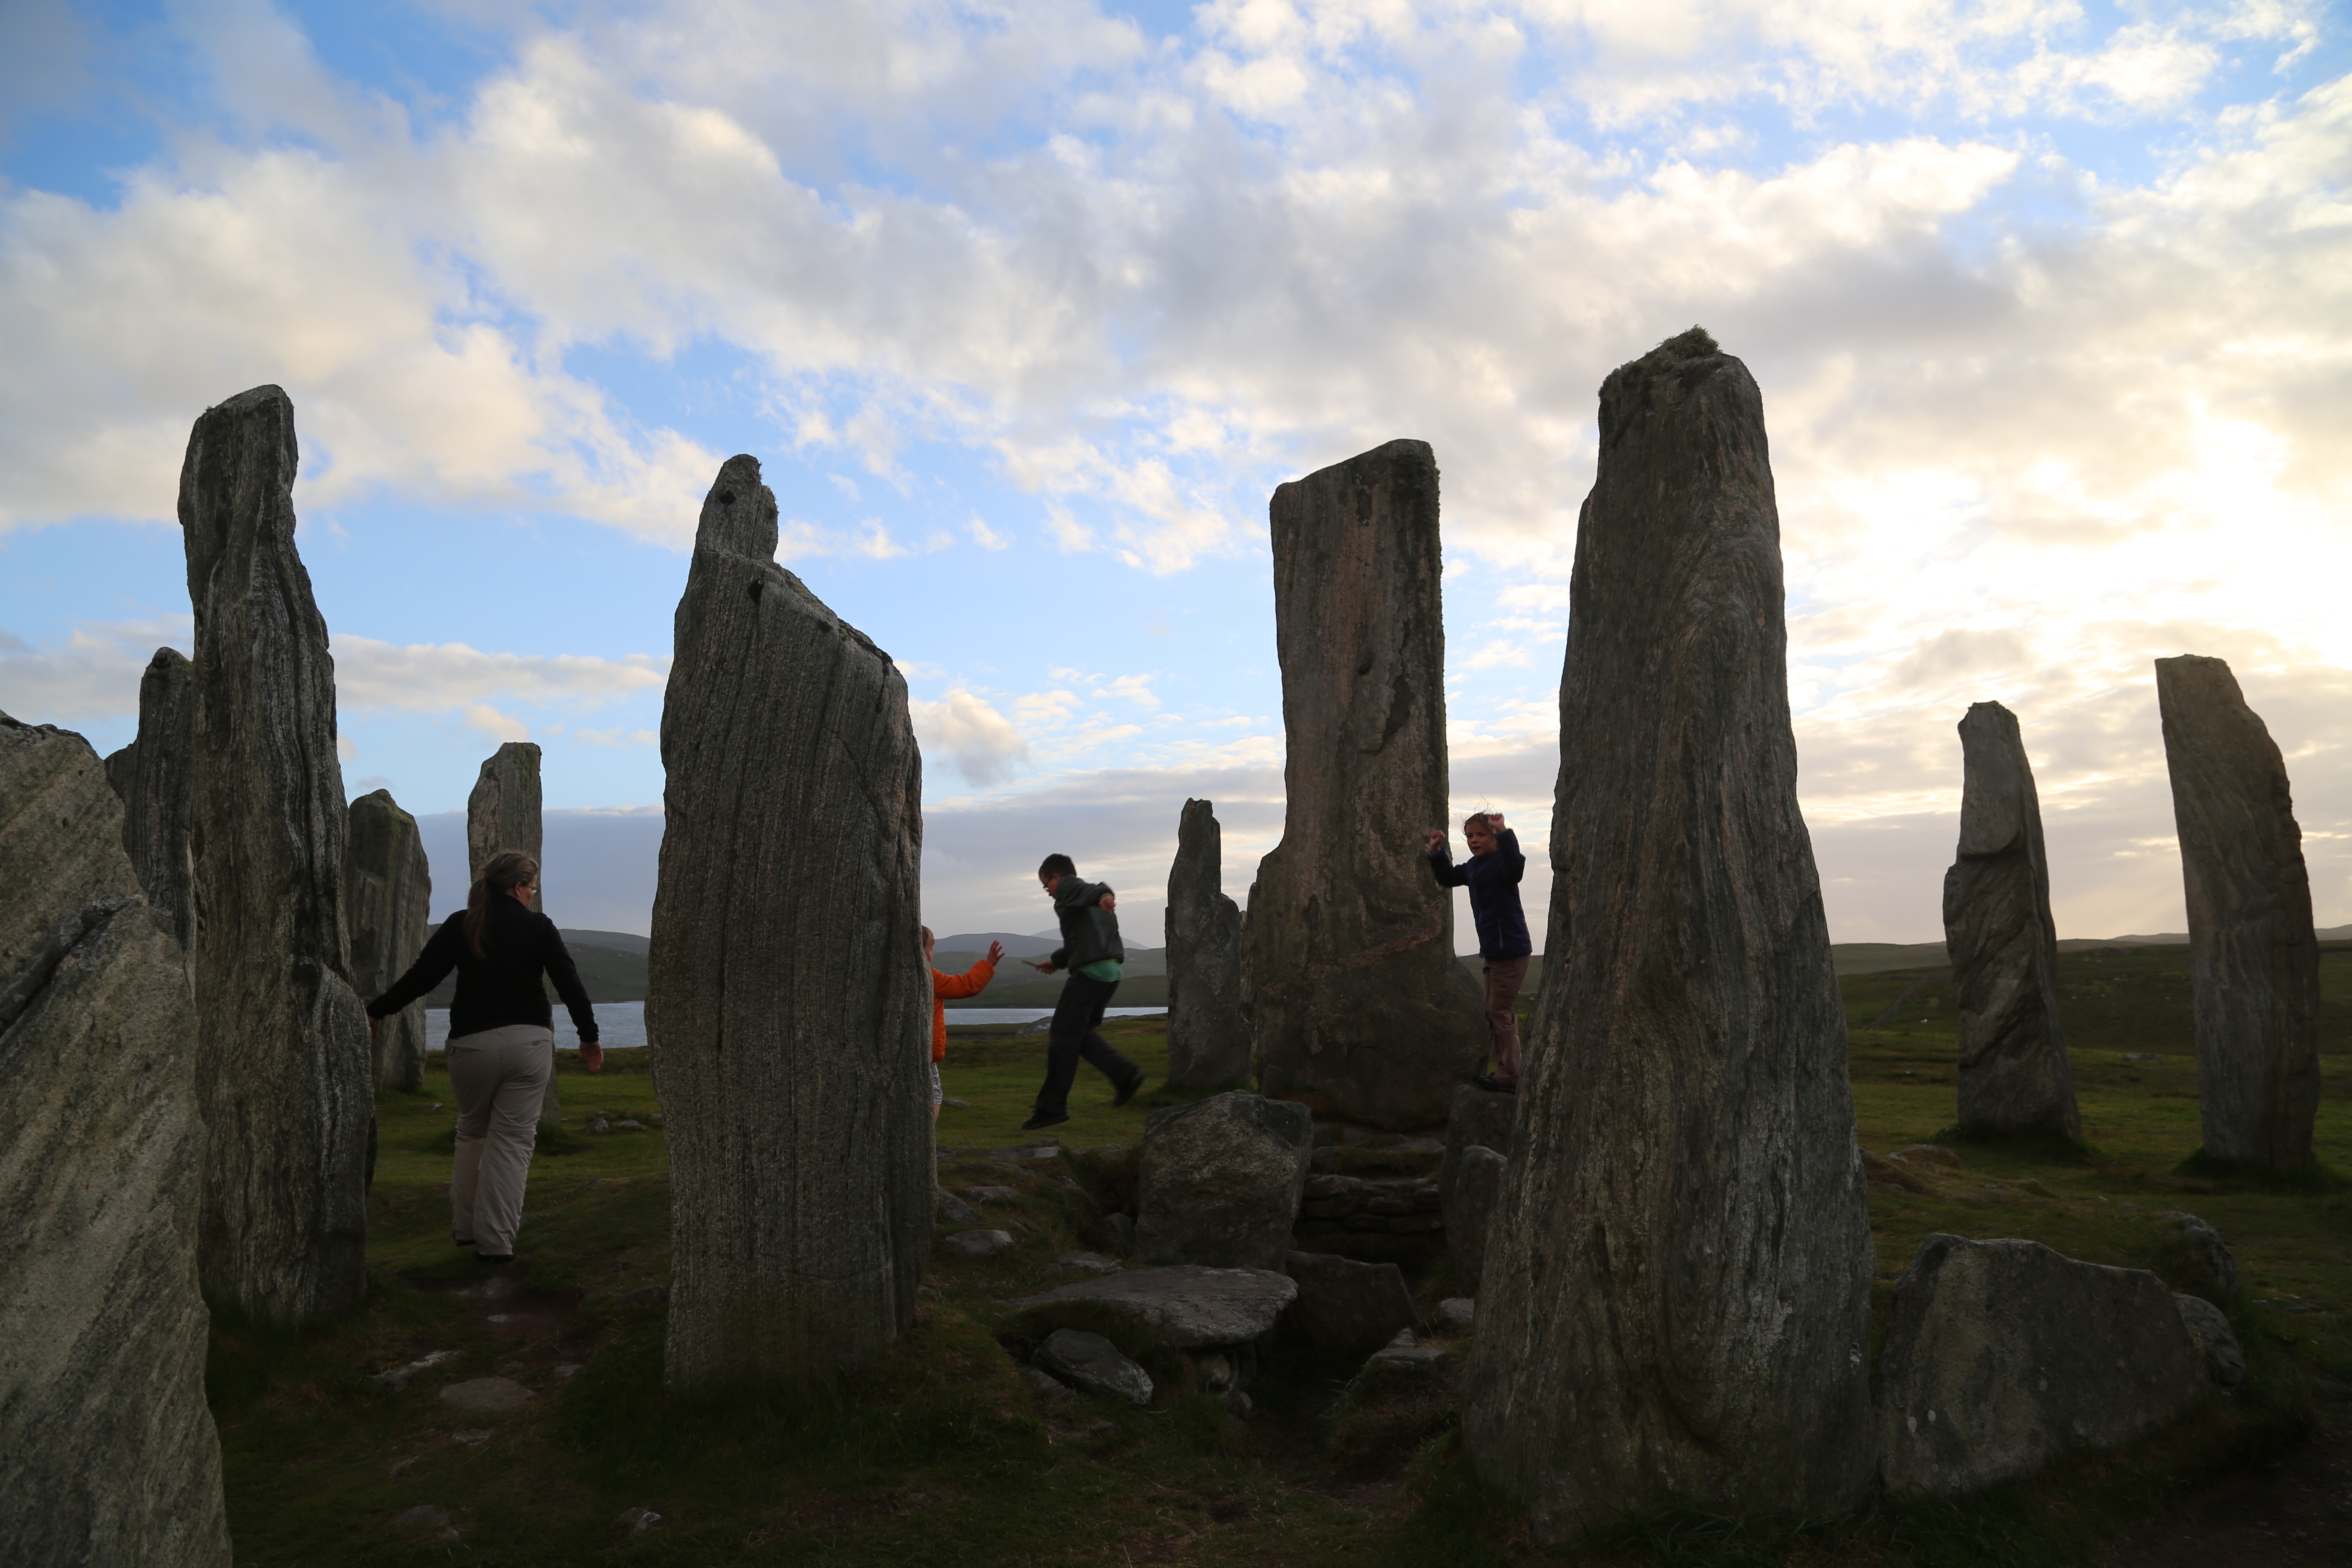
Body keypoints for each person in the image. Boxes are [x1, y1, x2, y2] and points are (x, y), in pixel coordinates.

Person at [366, 850, 600, 1264]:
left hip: (470, 1046)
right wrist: (589, 1036)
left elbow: (422, 978)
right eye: (532, 888)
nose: (533, 895)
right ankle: (496, 1244)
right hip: (527, 1044)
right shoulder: (537, 927)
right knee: (511, 1142)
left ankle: (467, 1229)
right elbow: (569, 982)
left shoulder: (461, 923)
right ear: (518, 887)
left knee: (473, 1133)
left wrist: (377, 1010)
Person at [1021, 853, 1146, 1131]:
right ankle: (1125, 1075)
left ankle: (1051, 1108)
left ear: (1056, 877)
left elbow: (1092, 890)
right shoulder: (1081, 904)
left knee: (1063, 1036)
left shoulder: (1068, 887)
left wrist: (1104, 894)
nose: (1048, 893)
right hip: (1110, 974)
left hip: (1090, 974)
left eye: (1046, 886)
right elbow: (1080, 940)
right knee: (1078, 1034)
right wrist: (1055, 962)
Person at [1427, 811, 1531, 1093]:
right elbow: (1448, 877)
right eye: (1470, 836)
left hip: (1510, 948)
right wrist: (1436, 852)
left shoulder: (1501, 862)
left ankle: (1510, 1074)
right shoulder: (1474, 867)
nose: (1475, 840)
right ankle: (1506, 1070)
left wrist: (1504, 832)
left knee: (1500, 1011)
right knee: (1493, 1011)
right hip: (1493, 951)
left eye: (1481, 834)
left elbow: (1515, 868)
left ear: (1494, 838)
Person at [926, 927, 1002, 1119]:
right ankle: (926, 1138)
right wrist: (988, 964)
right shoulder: (929, 977)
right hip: (925, 1053)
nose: (931, 955)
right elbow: (966, 986)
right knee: (934, 1096)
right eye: (930, 949)